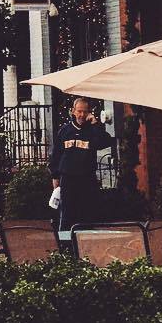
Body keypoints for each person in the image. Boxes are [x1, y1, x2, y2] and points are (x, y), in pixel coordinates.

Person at [49, 97, 113, 233]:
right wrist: (55, 177)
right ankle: (66, 248)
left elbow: (106, 142)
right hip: (68, 179)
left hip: (87, 178)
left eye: (85, 112)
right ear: (73, 111)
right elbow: (56, 155)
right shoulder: (64, 131)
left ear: (89, 113)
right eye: (79, 111)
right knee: (67, 214)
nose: (82, 115)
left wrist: (95, 124)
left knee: (87, 214)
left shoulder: (92, 131)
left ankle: (86, 247)